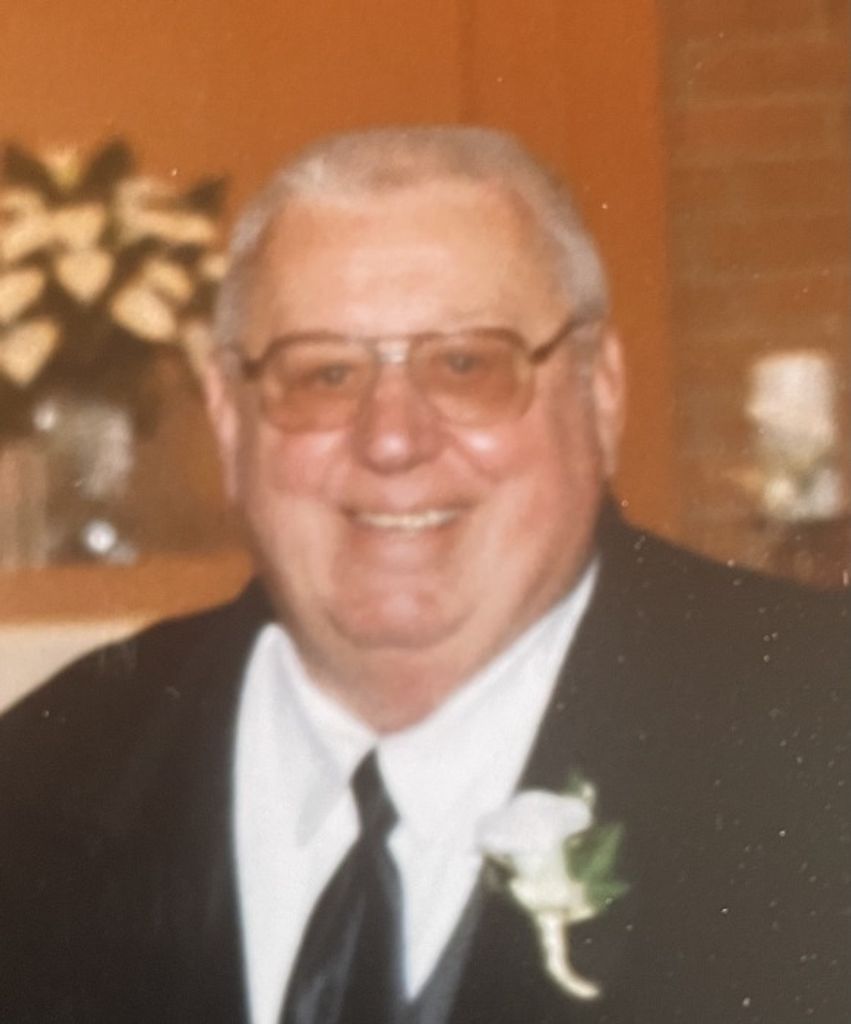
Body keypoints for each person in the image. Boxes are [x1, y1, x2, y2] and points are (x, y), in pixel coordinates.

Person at [0, 126, 847, 1024]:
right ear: (227, 417)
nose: (392, 439)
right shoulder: (43, 781)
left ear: (600, 393)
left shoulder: (816, 738)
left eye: (466, 365)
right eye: (325, 374)